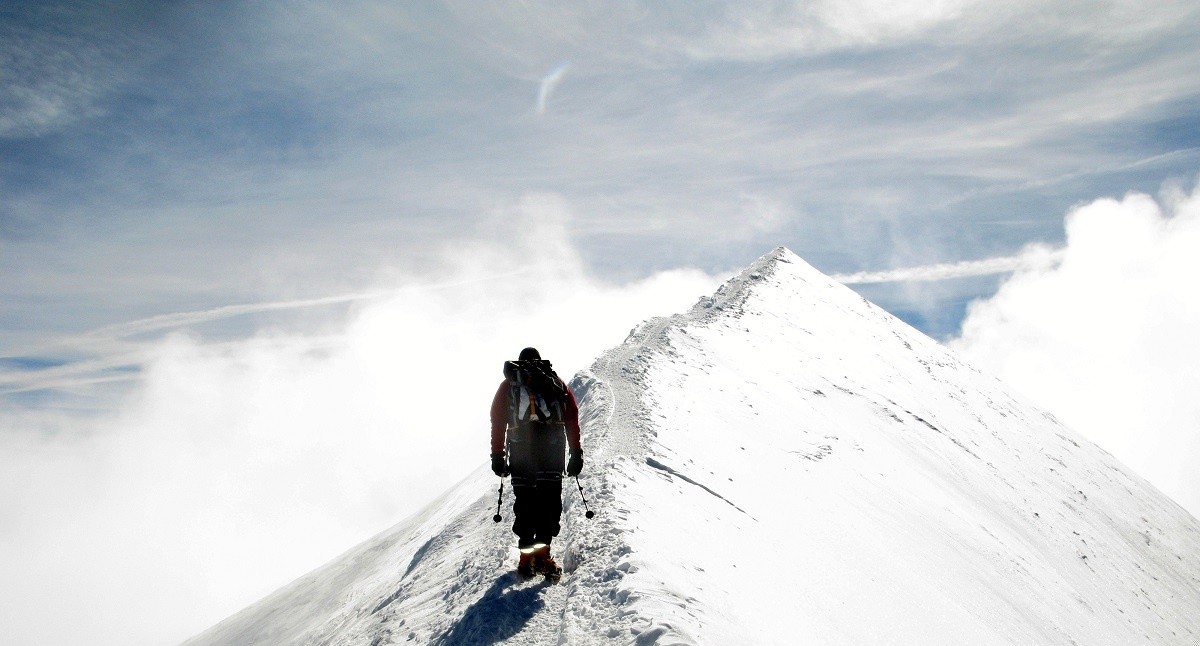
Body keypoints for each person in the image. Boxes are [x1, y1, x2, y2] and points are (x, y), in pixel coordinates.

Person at [490, 347, 584, 577]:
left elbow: (498, 419)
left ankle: (525, 559)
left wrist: (497, 455)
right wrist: (575, 452)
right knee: (549, 503)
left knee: (525, 503)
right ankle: (543, 557)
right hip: (552, 450)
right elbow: (571, 416)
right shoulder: (555, 382)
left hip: (521, 449)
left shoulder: (509, 385)